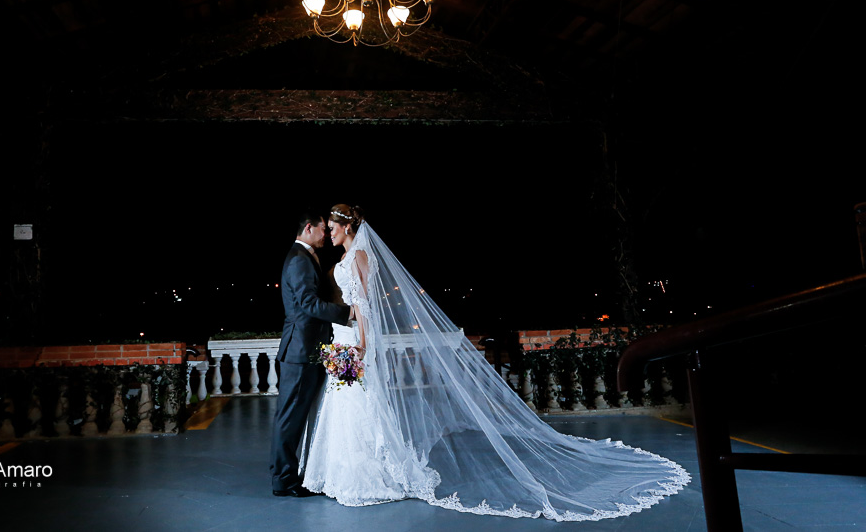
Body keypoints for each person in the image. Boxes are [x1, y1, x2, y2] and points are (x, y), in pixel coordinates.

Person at [299, 204, 691, 521]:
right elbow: (352, 307)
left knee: (360, 405)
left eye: (332, 226)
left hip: (356, 341)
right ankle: (341, 476)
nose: (328, 231)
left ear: (347, 227)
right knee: (344, 405)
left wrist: (363, 346)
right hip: (343, 337)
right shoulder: (346, 257)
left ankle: (371, 476)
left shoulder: (361, 257)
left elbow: (367, 308)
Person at [270, 211, 354, 498]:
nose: (326, 235)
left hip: (314, 348)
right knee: (289, 417)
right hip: (300, 350)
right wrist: (348, 313)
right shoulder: (298, 259)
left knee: (304, 413)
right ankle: (283, 481)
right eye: (322, 229)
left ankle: (299, 471)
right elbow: (308, 304)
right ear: (308, 228)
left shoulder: (305, 257)